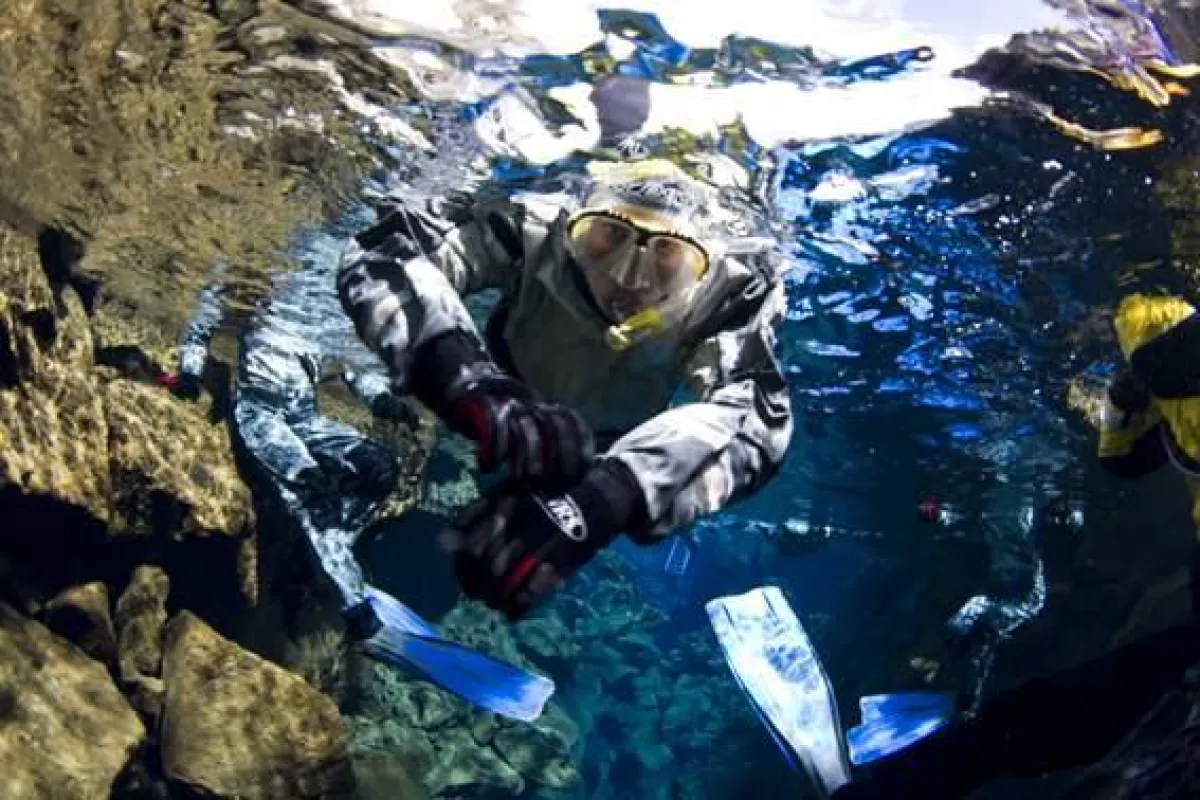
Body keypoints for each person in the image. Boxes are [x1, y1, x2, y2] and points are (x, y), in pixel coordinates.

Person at [337, 157, 792, 622]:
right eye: (609, 238)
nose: (628, 279)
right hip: (504, 390)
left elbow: (757, 418)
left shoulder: (731, 289)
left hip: (607, 445)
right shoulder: (535, 221)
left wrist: (607, 498)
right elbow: (385, 254)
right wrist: (467, 383)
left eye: (665, 255)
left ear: (705, 260)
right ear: (575, 221)